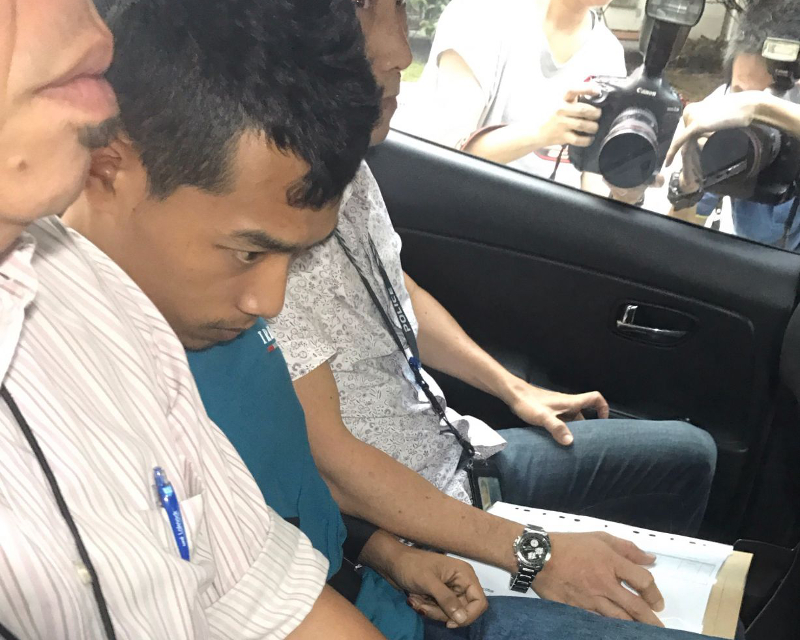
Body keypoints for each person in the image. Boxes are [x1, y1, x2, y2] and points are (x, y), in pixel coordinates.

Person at [64, 1, 727, 638]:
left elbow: (287, 498)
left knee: (691, 463)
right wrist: (532, 553)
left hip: (400, 552)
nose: (394, 48)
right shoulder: (149, 352)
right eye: (251, 252)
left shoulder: (236, 307)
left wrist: (387, 552)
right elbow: (318, 486)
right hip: (398, 558)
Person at [0, 0, 388, 638]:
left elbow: (266, 599)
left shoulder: (101, 299)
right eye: (247, 251)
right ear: (110, 167)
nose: (271, 303)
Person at [402, 0, 626, 191]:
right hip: (459, 222)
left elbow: (593, 183)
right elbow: (445, 156)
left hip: (555, 231)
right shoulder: (479, 13)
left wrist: (625, 191)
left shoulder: (609, 53)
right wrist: (543, 133)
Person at [666, 0, 800, 250]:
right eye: (741, 95)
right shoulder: (722, 108)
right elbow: (676, 243)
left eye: (773, 98)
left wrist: (763, 109)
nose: (748, 117)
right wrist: (689, 184)